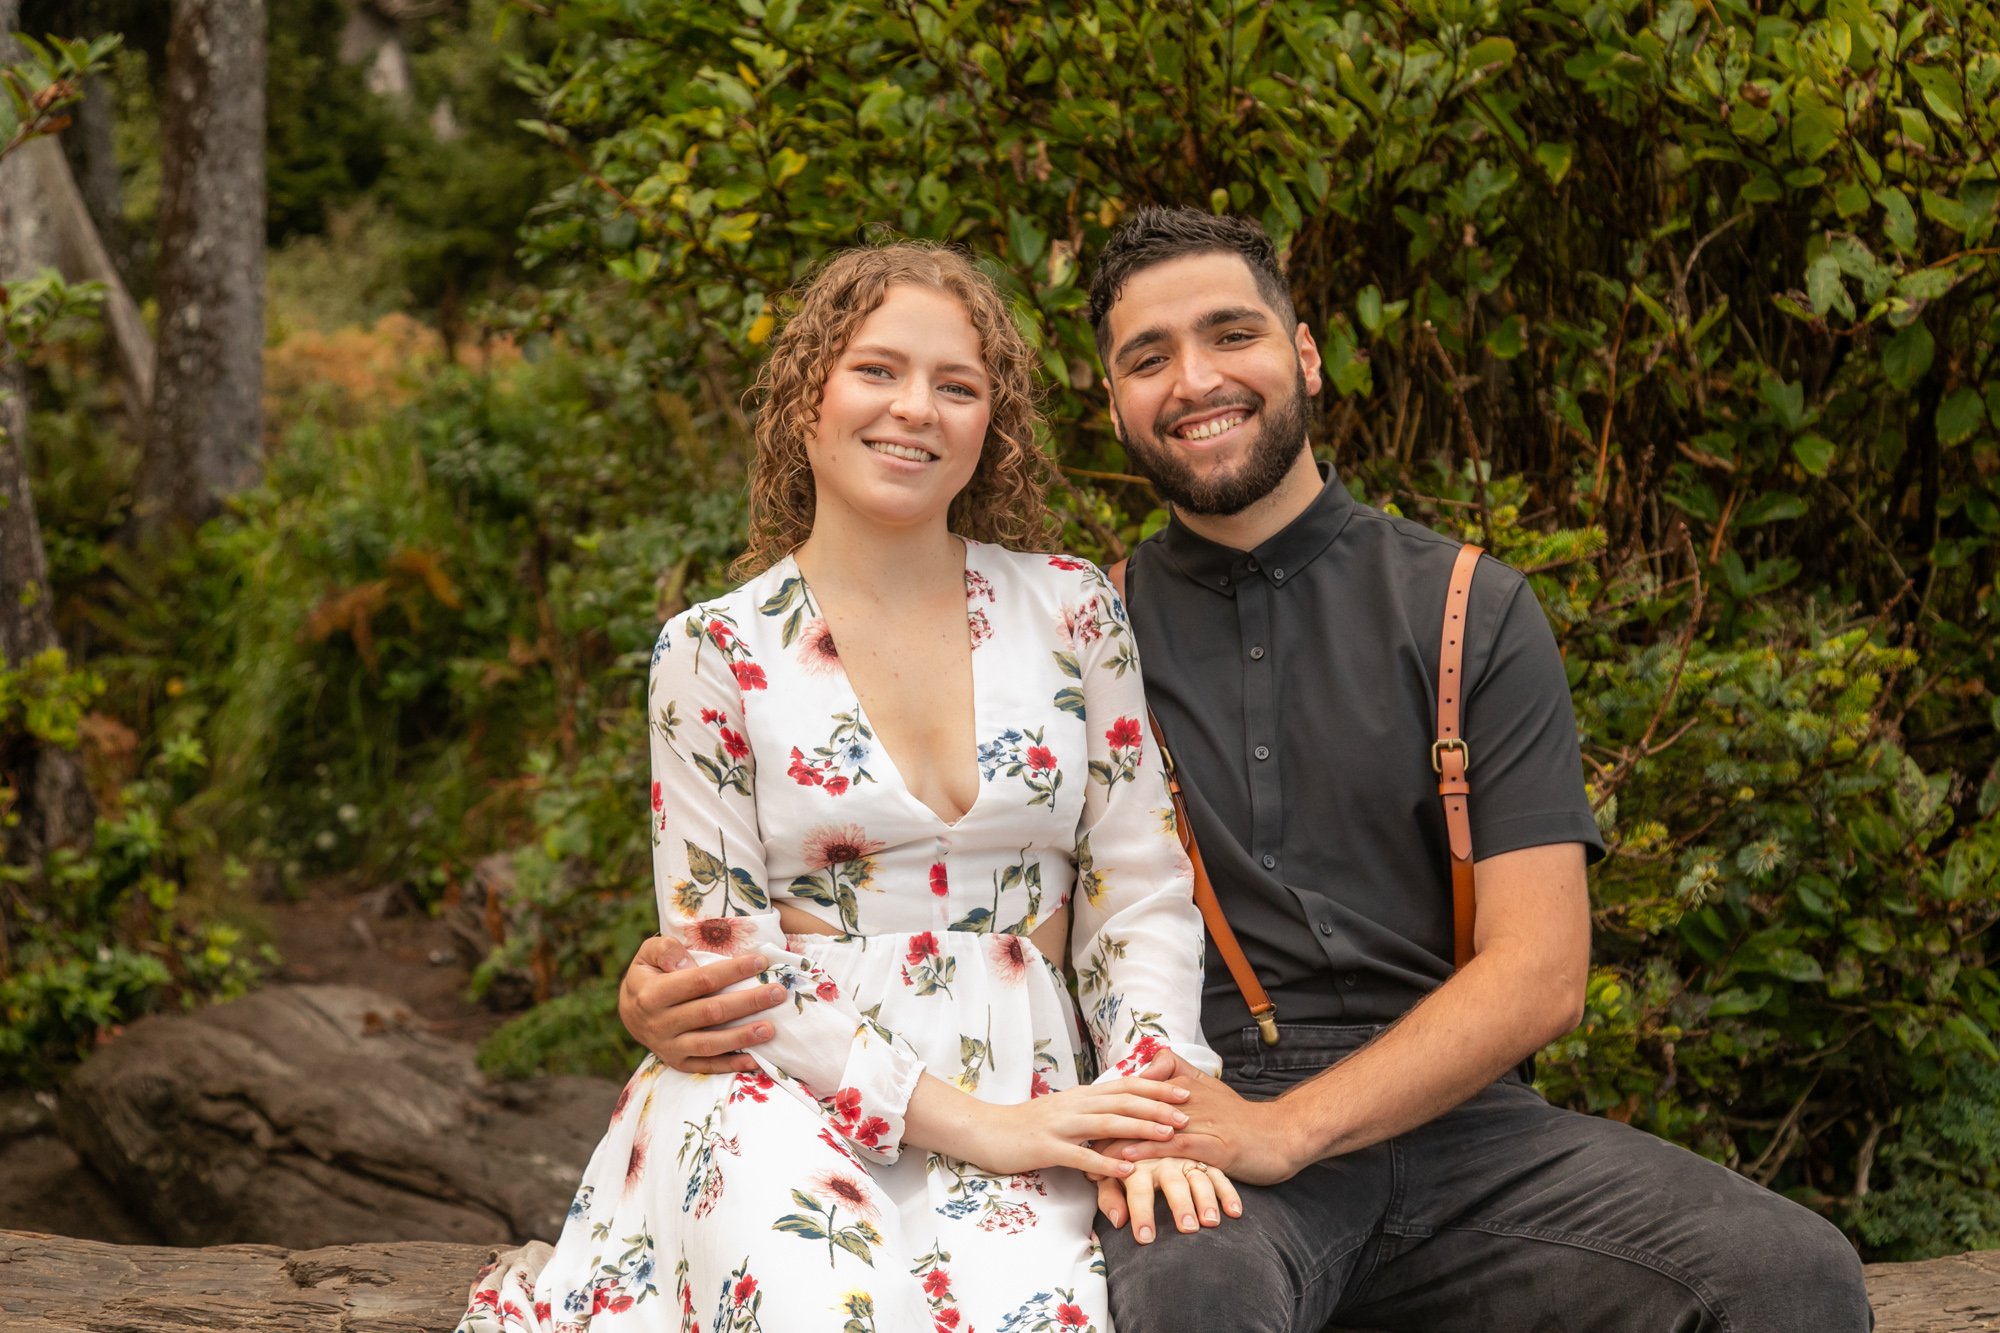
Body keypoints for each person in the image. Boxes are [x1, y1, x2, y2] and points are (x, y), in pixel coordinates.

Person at [616, 210, 1874, 1332]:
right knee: (1195, 1300)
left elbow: (1540, 974)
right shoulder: (1085, 621)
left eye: (1232, 335)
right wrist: (671, 993)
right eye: (1147, 357)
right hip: (1202, 1103)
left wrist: (1286, 1131)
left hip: (1460, 1122)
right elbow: (1024, 892)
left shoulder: (1461, 609)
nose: (1196, 379)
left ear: (1306, 353)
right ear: (1110, 402)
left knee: (1788, 1277)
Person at [459, 242, 1241, 1333]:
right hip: (781, 1090)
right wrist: (974, 1125)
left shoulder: (1069, 610)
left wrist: (1155, 1101)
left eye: (956, 386)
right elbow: (723, 974)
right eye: (876, 370)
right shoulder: (713, 652)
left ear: (991, 424)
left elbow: (1139, 890)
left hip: (1037, 1088)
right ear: (805, 399)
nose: (914, 409)